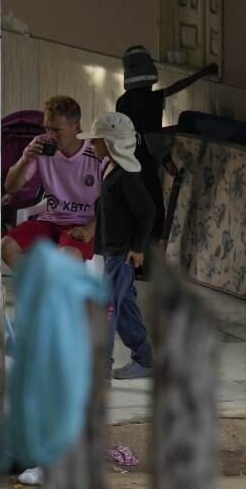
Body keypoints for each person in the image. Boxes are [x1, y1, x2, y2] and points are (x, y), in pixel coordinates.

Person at [78, 112, 156, 380]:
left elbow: (148, 212)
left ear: (112, 143)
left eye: (97, 140)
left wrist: (138, 248)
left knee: (105, 307)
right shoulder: (110, 166)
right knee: (124, 307)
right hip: (111, 251)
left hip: (122, 254)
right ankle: (145, 359)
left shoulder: (127, 176)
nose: (91, 145)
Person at [115, 45, 217, 245]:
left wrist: (202, 72)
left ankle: (136, 257)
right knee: (154, 213)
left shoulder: (122, 101)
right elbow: (151, 136)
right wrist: (167, 161)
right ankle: (149, 260)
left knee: (135, 212)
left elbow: (134, 129)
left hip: (125, 165)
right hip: (144, 167)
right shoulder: (151, 100)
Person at [2, 96, 103, 268]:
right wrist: (26, 160)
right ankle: (36, 287)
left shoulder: (96, 152)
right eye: (47, 128)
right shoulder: (40, 144)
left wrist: (91, 228)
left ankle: (54, 291)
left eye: (57, 130)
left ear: (76, 127)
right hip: (49, 220)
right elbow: (10, 187)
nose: (50, 136)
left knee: (67, 258)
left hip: (81, 224)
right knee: (5, 246)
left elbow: (115, 202)